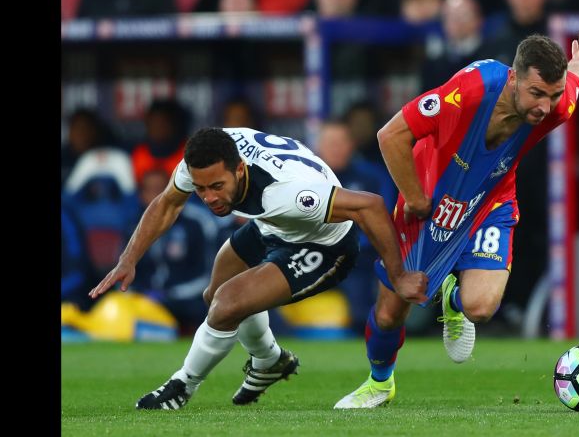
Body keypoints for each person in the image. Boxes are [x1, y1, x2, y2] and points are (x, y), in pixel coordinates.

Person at [334, 31, 579, 408]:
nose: (545, 106)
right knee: (392, 310)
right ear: (513, 78)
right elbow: (391, 135)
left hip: (491, 201)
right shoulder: (471, 90)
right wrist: (414, 196)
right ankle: (380, 383)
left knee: (482, 306)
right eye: (537, 93)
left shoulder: (558, 104)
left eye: (553, 95)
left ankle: (453, 299)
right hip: (432, 199)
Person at [89, 127, 427, 410]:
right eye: (201, 188)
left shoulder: (287, 193)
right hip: (273, 226)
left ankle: (182, 386)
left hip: (324, 245)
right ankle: (269, 360)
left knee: (227, 305)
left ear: (238, 170)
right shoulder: (203, 160)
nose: (207, 198)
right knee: (215, 296)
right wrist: (128, 259)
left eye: (216, 187)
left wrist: (398, 275)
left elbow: (370, 205)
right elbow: (166, 205)